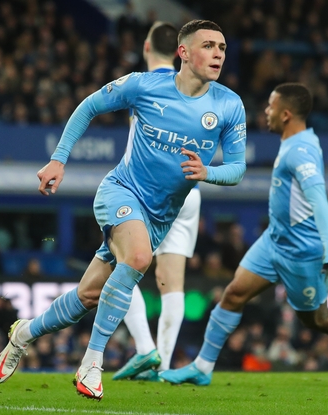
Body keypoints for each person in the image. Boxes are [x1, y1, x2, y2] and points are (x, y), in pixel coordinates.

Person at [0, 20, 247, 400]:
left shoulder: (228, 104)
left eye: (222, 48)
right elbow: (89, 106)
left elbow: (238, 169)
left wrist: (208, 172)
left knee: (87, 297)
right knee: (140, 257)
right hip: (120, 191)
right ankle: (92, 364)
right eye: (208, 46)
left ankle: (22, 334)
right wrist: (58, 160)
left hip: (161, 216)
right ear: (184, 53)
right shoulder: (144, 86)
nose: (218, 54)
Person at [160, 83, 328, 386]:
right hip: (274, 241)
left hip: (302, 253)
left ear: (287, 113)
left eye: (271, 106)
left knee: (319, 320)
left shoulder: (300, 152)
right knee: (233, 294)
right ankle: (202, 367)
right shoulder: (298, 140)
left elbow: (319, 201)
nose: (266, 111)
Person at [113, 22, 203, 382]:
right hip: (188, 192)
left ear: (147, 45)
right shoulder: (194, 84)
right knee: (172, 282)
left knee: (120, 265)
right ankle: (162, 365)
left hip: (146, 192)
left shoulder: (142, 83)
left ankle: (145, 349)